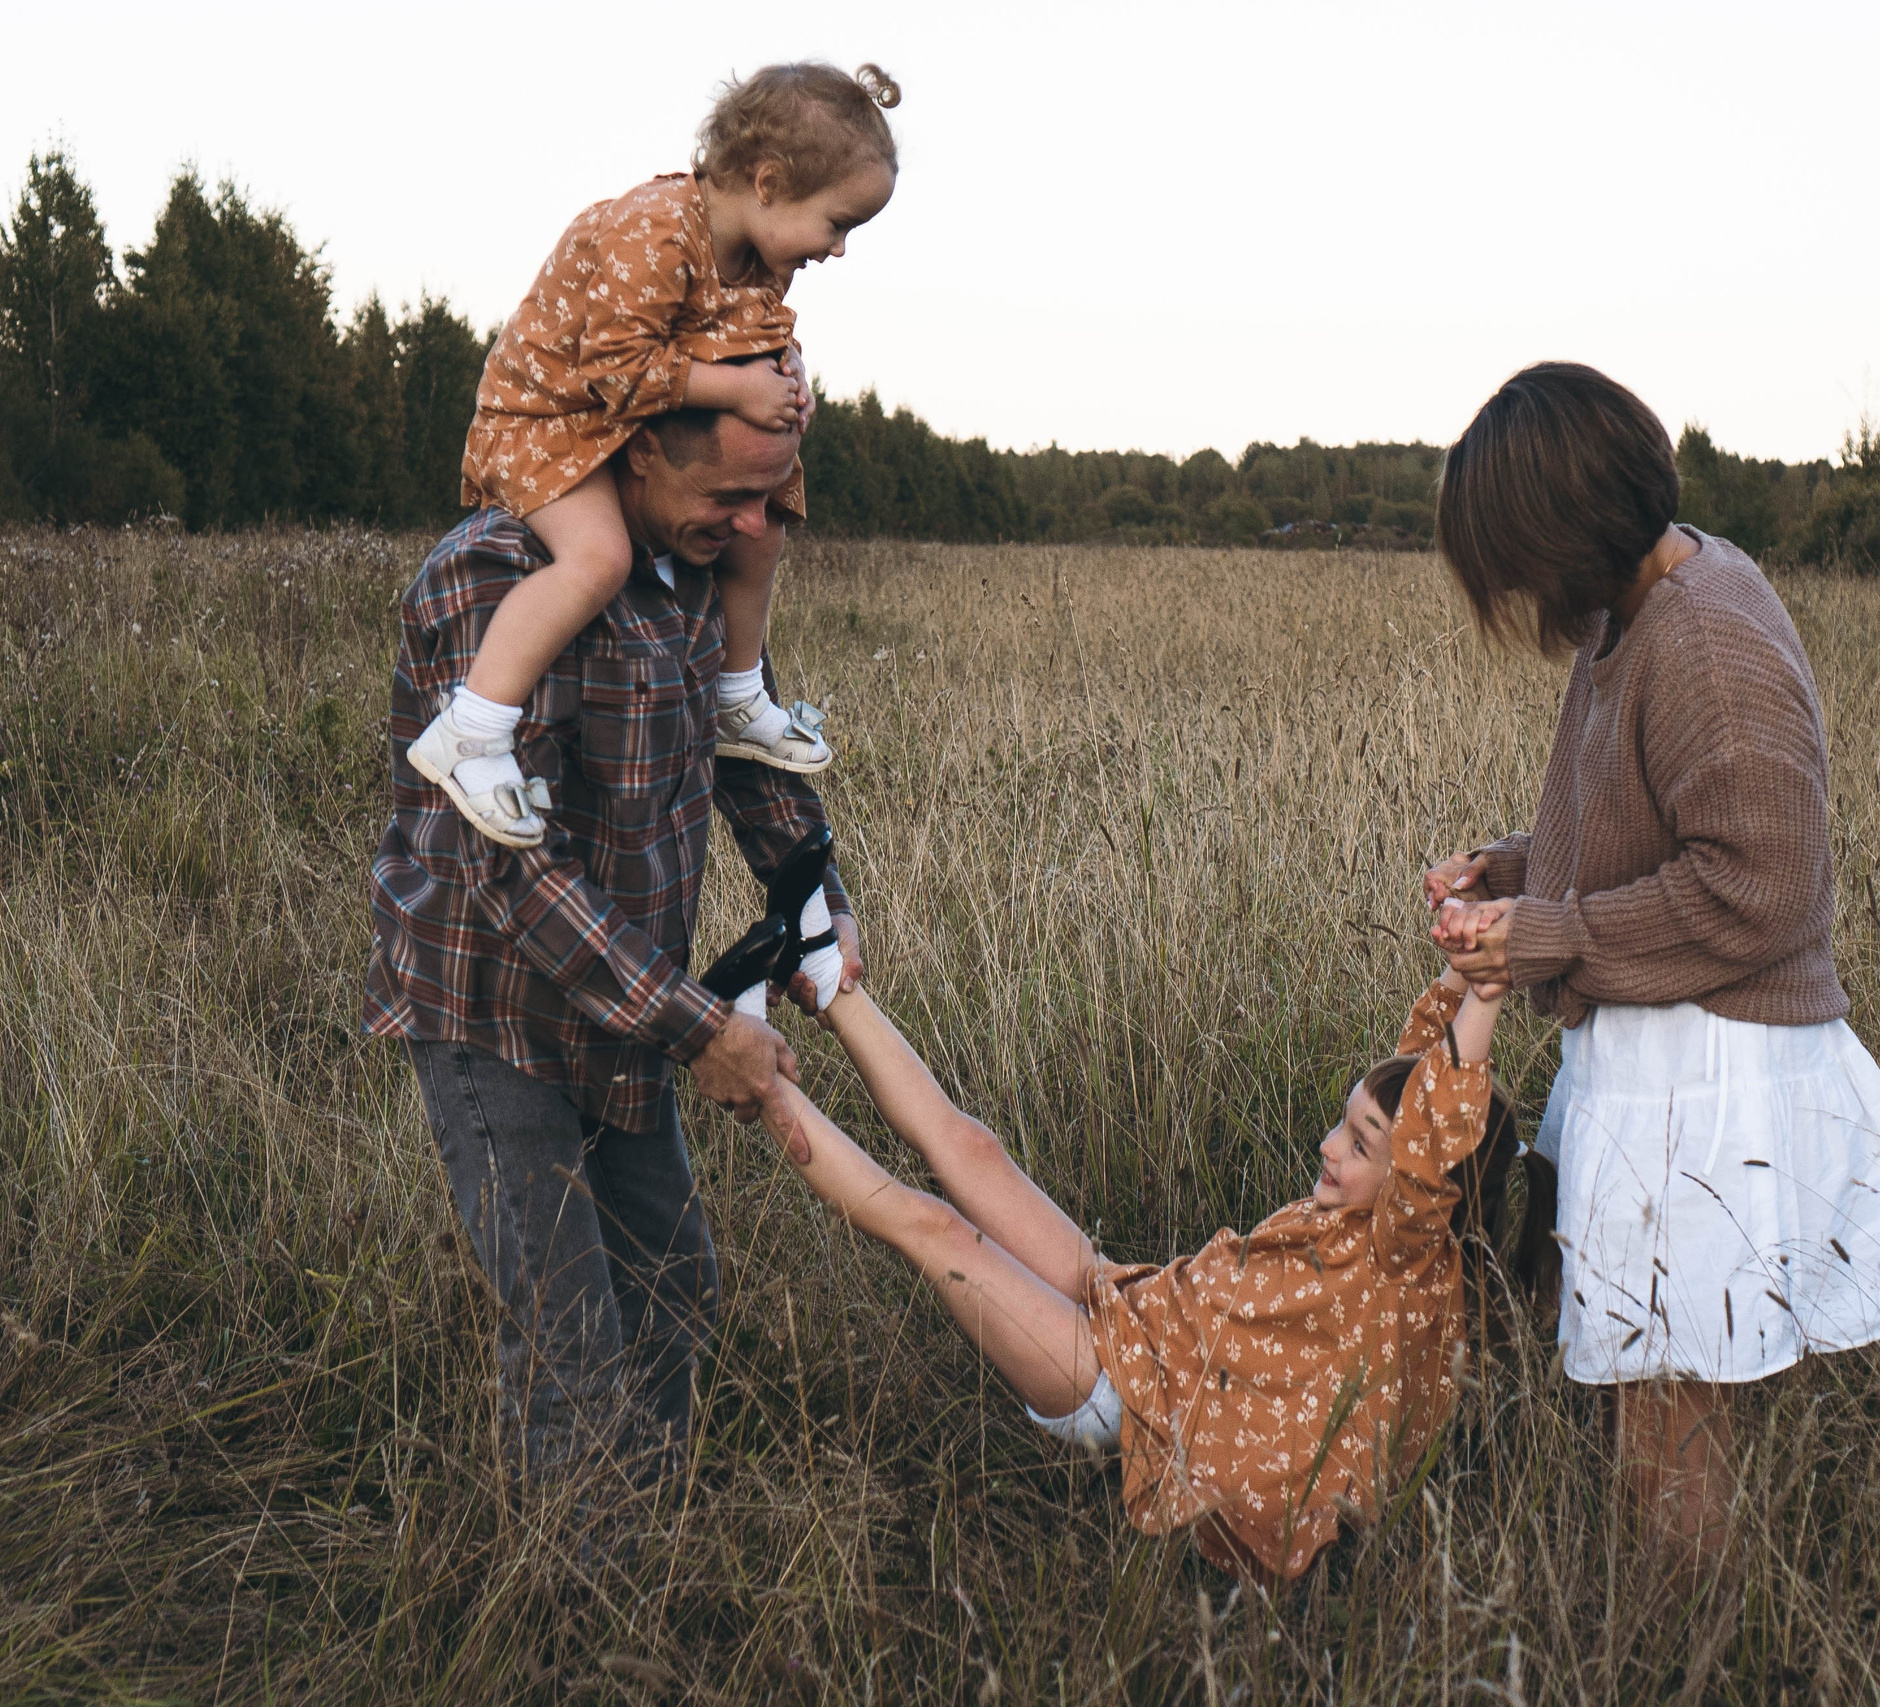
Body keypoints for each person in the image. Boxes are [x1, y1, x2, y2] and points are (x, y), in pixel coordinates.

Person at [1424, 362, 1880, 1570]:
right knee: (1654, 1397)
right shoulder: (1637, 613)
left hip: (1715, 1082)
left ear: (1564, 533)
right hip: (1663, 1058)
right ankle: (1683, 1635)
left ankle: (1682, 1655)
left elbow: (1761, 887)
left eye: (1511, 559)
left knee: (1672, 1418)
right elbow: (1641, 819)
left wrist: (1556, 934)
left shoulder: (1705, 635)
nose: (1511, 592)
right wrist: (1519, 870)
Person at [364, 401, 861, 1488]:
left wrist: (816, 905)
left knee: (672, 1286)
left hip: (624, 1007)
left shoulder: (694, 571)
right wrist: (699, 1032)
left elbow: (745, 745)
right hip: (491, 1008)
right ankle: (573, 1629)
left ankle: (650, 1561)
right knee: (568, 1349)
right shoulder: (495, 580)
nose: (746, 526)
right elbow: (510, 871)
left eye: (764, 502)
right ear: (640, 451)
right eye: (724, 496)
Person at [758, 963, 1545, 1581]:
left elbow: (1437, 1125)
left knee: (937, 1231)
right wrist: (1458, 968)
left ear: (1422, 1184)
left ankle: (754, 1071)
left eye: (1359, 1143)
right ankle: (823, 974)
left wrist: (1489, 990)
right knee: (973, 1148)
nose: (1329, 1146)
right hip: (1128, 1302)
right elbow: (1425, 1077)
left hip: (1125, 1397)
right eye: (1343, 1121)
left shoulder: (1404, 1262)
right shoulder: (1379, 1216)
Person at [406, 61, 903, 849]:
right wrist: (741, 395)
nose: (838, 250)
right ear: (768, 184)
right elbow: (614, 373)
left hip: (621, 421)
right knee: (598, 557)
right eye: (837, 224)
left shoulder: (753, 259)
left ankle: (739, 696)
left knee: (765, 521)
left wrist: (790, 375)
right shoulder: (655, 229)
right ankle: (471, 729)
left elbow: (754, 335)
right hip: (548, 420)